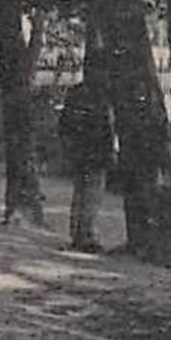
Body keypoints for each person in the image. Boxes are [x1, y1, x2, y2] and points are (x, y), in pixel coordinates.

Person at [58, 78, 114, 253]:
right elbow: (106, 128)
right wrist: (110, 152)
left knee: (80, 192)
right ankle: (87, 235)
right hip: (96, 152)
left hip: (79, 150)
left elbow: (64, 124)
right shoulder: (103, 94)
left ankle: (76, 233)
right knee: (92, 194)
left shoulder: (75, 93)